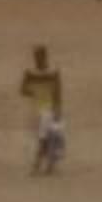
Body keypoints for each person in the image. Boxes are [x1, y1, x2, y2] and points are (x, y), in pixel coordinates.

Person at [20, 46, 64, 175]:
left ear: (45, 56)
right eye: (36, 57)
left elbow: (58, 92)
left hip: (48, 109)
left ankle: (36, 166)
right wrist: (33, 90)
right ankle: (50, 166)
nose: (37, 59)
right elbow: (23, 90)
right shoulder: (31, 73)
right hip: (36, 110)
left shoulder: (53, 72)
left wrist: (58, 109)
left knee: (44, 138)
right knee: (47, 138)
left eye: (39, 56)